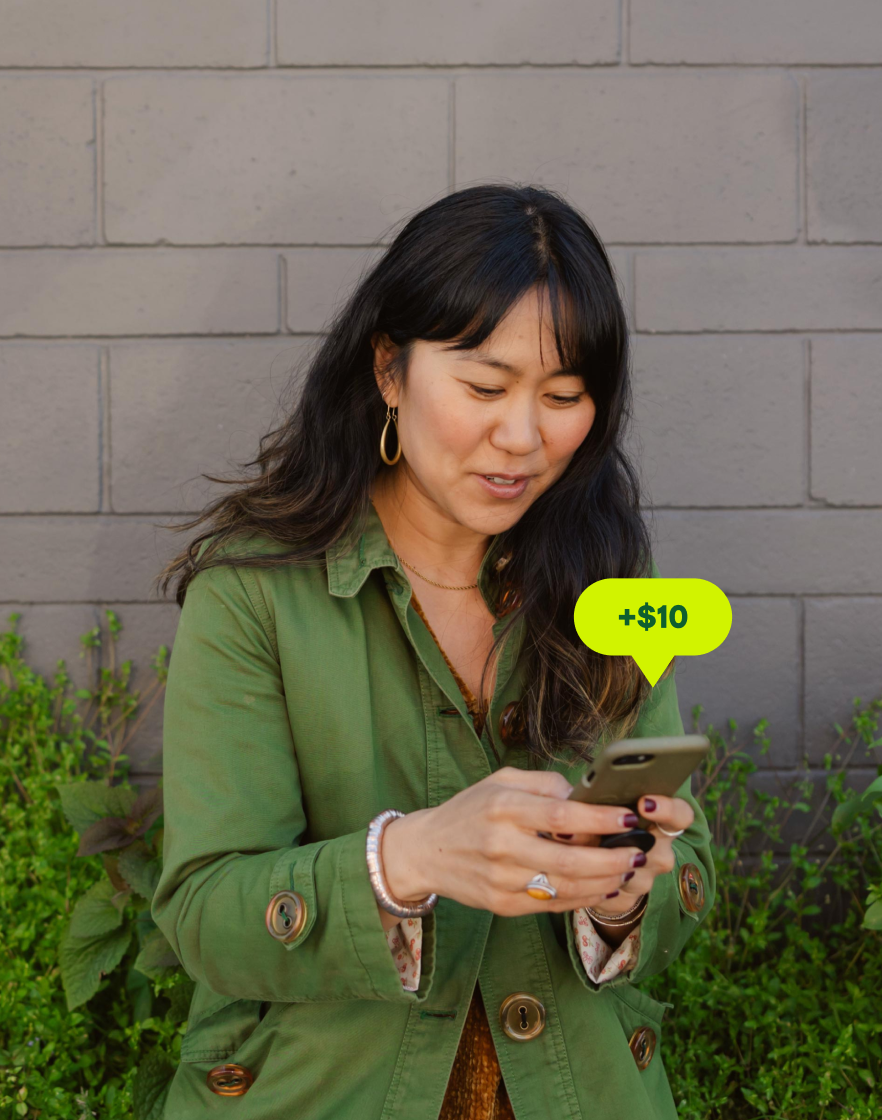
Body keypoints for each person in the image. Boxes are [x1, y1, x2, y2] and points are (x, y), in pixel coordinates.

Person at [151, 183, 715, 1120]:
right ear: (388, 370)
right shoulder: (254, 592)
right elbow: (207, 916)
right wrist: (407, 859)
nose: (524, 437)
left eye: (565, 396)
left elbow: (688, 880)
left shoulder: (617, 583)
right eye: (486, 387)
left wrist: (621, 898)